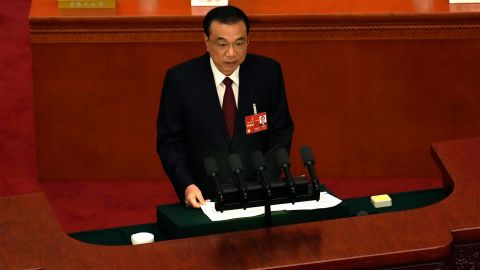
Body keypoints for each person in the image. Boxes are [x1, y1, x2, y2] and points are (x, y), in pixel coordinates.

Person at [156, 5, 293, 208]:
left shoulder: (267, 73)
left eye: (239, 43)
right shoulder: (180, 80)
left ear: (248, 40)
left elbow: (281, 132)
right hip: (204, 197)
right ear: (206, 42)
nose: (232, 53)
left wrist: (265, 181)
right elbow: (169, 141)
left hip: (260, 192)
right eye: (222, 44)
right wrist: (187, 184)